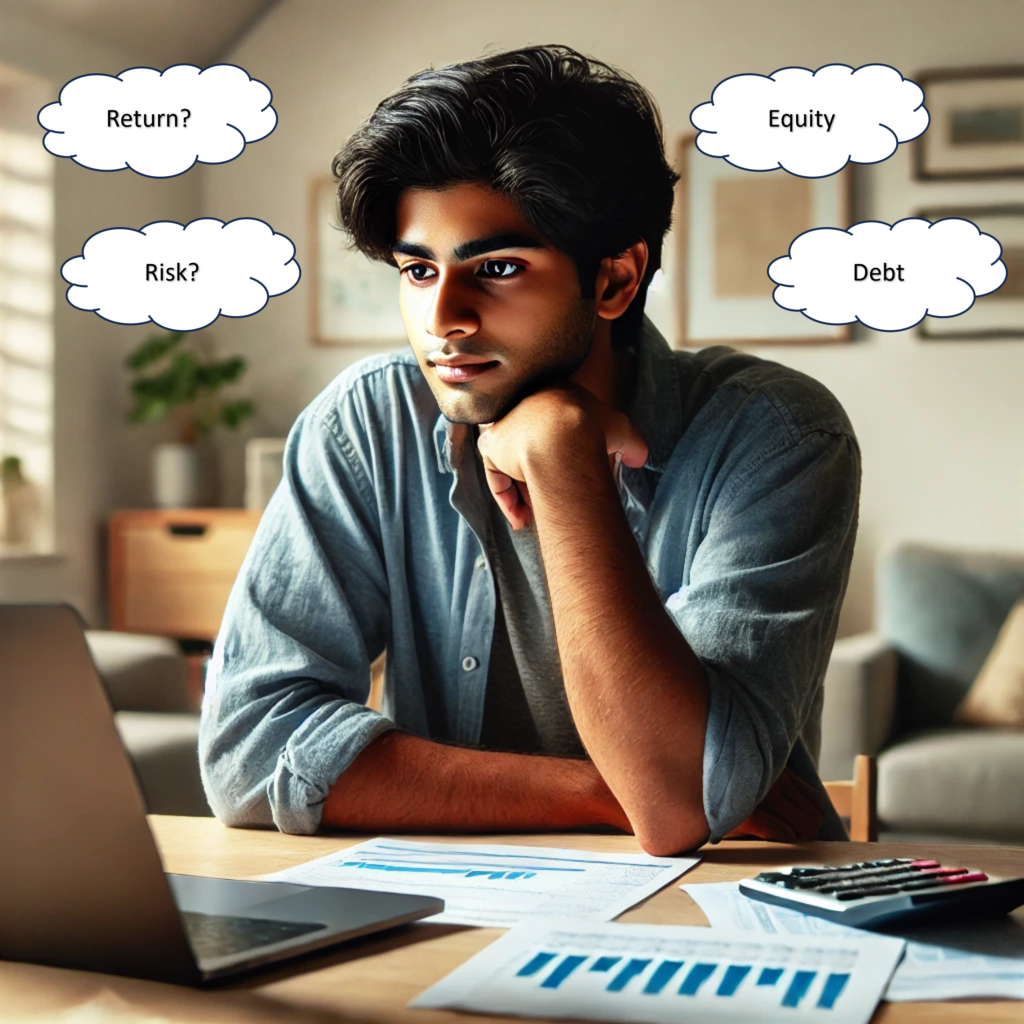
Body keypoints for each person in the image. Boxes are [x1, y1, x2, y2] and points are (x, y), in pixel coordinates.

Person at [199, 44, 858, 854]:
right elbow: (251, 748)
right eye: (417, 269)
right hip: (460, 905)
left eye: (498, 268)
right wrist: (595, 791)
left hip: (727, 905)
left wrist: (562, 460)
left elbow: (677, 805)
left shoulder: (775, 433)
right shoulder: (368, 423)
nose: (443, 317)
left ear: (615, 280)